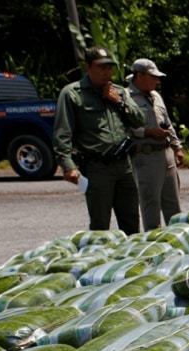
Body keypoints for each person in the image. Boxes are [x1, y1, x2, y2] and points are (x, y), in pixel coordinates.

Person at [53, 46, 146, 235]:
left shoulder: (118, 92)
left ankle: (133, 262)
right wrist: (68, 166)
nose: (107, 72)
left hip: (124, 165)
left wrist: (118, 102)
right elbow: (62, 133)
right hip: (97, 167)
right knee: (100, 225)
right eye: (101, 67)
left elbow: (140, 120)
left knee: (131, 223)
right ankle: (101, 262)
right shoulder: (72, 94)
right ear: (88, 67)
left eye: (110, 68)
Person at [127, 58, 184, 229]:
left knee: (173, 202)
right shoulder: (126, 97)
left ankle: (178, 237)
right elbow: (123, 128)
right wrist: (148, 132)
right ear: (140, 75)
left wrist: (177, 147)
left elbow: (167, 121)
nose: (157, 81)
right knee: (151, 203)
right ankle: (154, 241)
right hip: (147, 155)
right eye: (153, 77)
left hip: (166, 154)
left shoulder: (156, 96)